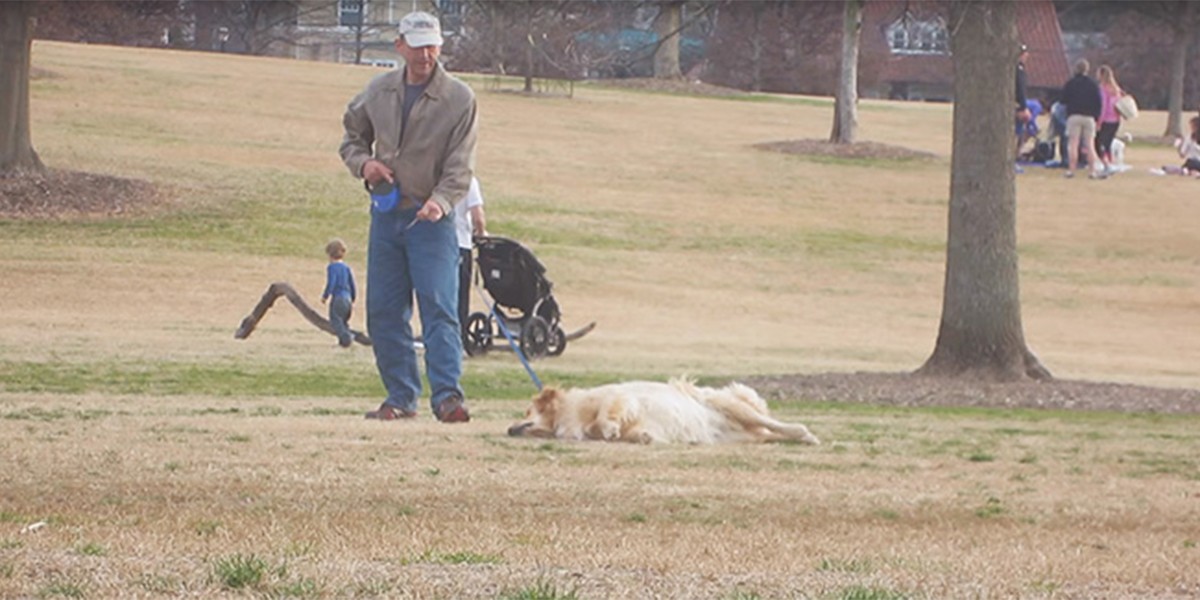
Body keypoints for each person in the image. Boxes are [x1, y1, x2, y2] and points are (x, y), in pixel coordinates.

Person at [339, 10, 478, 423]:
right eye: (417, 47)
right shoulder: (378, 90)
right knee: (383, 311)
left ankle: (448, 398)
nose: (426, 55)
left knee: (439, 309)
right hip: (387, 217)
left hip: (432, 222)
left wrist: (441, 201)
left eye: (432, 46)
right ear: (400, 46)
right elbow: (351, 137)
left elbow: (460, 167)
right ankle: (400, 397)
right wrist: (364, 165)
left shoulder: (460, 99)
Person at [1060, 58, 1103, 179]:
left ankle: (1071, 170)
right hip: (1089, 117)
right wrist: (1097, 117)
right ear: (1087, 70)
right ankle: (1092, 171)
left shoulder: (1071, 83)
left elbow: (1063, 100)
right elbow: (1098, 102)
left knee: (1073, 144)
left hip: (1074, 115)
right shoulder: (1093, 84)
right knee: (1090, 144)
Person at [455, 177, 486, 338]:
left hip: (437, 243)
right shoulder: (469, 181)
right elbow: (478, 217)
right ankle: (459, 333)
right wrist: (481, 234)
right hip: (461, 242)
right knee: (461, 295)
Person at [321, 238, 357, 348]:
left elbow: (331, 282)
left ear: (330, 255)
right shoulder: (346, 268)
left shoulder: (332, 267)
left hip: (338, 298)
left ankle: (348, 337)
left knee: (335, 320)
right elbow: (352, 283)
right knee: (343, 321)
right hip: (348, 299)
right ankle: (343, 343)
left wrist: (325, 296)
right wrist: (353, 297)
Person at [1095, 65, 1124, 175]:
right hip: (1115, 120)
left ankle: (1106, 164)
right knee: (1108, 143)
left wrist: (1099, 121)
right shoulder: (1116, 89)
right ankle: (1109, 163)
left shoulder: (1103, 89)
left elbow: (1103, 106)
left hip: (1106, 120)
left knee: (1099, 143)